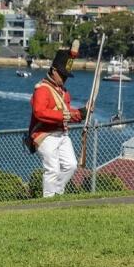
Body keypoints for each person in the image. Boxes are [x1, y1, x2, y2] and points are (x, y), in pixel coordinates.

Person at [27, 40, 87, 197]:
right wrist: (66, 115)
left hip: (61, 134)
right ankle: (48, 199)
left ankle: (57, 193)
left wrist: (81, 114)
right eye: (62, 74)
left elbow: (66, 113)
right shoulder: (42, 89)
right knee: (52, 169)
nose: (64, 78)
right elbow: (39, 112)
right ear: (54, 71)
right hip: (45, 135)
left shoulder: (63, 91)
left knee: (71, 166)